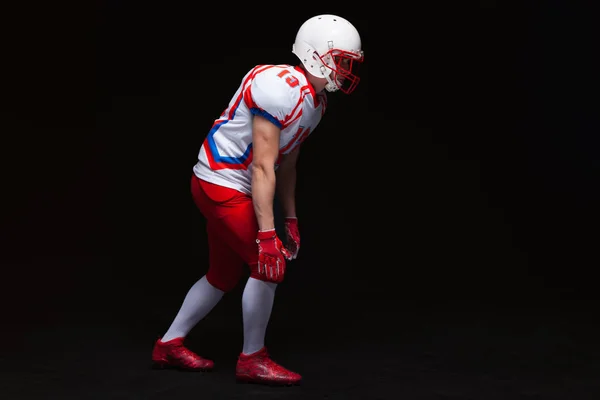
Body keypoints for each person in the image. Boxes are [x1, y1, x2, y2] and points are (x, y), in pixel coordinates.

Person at [151, 14, 364, 386]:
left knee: (223, 273)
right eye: (341, 61)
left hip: (232, 184)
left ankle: (168, 345)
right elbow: (263, 167)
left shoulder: (315, 104)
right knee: (268, 265)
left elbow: (288, 161)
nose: (345, 70)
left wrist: (290, 218)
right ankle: (252, 358)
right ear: (315, 56)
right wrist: (268, 236)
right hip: (222, 183)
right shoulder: (279, 89)